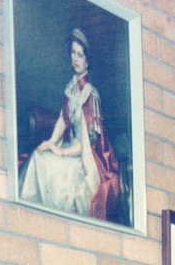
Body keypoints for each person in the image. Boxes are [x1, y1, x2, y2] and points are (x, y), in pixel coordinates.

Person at [19, 28, 121, 222]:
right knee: (38, 156)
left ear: (88, 61)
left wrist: (60, 152)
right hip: (71, 147)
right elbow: (64, 119)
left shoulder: (90, 95)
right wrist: (51, 142)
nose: (75, 59)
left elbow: (87, 144)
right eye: (73, 53)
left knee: (57, 171)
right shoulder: (72, 87)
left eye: (80, 55)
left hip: (86, 157)